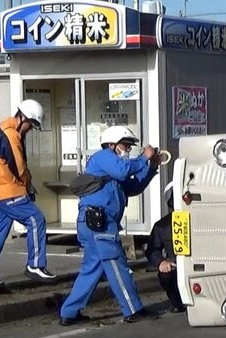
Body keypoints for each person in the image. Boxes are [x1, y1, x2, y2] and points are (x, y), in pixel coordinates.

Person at [59, 126, 161, 325]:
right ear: (112, 144)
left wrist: (151, 168)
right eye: (125, 145)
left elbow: (133, 187)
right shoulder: (104, 157)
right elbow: (123, 171)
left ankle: (69, 312)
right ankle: (133, 309)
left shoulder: (112, 168)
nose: (128, 150)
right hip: (100, 224)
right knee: (117, 265)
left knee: (92, 268)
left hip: (94, 223)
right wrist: (144, 158)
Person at [0, 99, 56, 288]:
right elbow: (19, 168)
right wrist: (28, 186)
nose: (31, 129)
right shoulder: (11, 135)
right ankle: (35, 265)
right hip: (6, 190)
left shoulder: (3, 127)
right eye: (31, 124)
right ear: (23, 117)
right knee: (36, 219)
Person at [144, 181, 186, 313]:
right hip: (176, 266)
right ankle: (176, 302)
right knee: (165, 275)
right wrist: (161, 262)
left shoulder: (202, 220)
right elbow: (152, 249)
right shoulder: (161, 225)